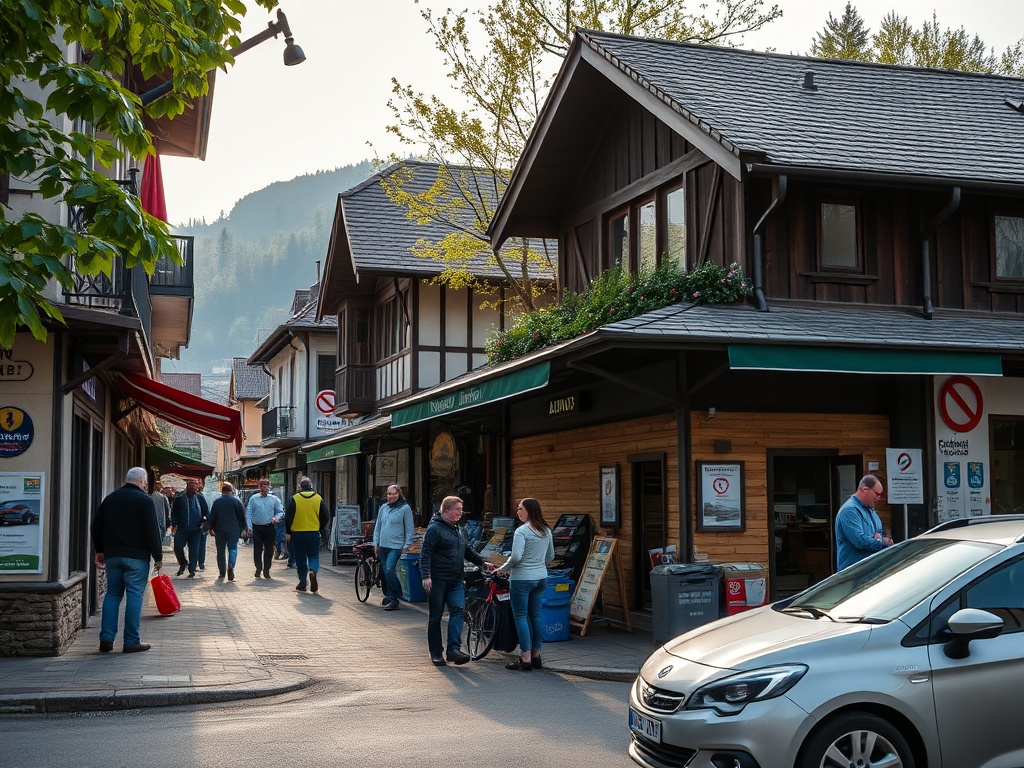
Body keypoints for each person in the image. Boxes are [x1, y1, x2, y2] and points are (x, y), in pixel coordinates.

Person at [90, 467, 163, 653]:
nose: (145, 485)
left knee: (113, 594)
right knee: (134, 596)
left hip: (113, 556)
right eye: (145, 483)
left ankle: (106, 639)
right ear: (141, 481)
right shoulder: (145, 501)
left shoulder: (110, 499)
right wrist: (158, 556)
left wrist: (100, 549)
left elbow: (96, 526)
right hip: (137, 557)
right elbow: (152, 530)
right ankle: (131, 641)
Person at [419, 495, 493, 667]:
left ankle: (453, 649)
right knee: (435, 616)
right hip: (437, 580)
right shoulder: (434, 529)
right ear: (446, 511)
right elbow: (425, 554)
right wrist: (426, 576)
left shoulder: (459, 529)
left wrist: (482, 562)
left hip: (456, 580)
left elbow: (466, 550)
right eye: (458, 509)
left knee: (458, 611)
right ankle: (436, 653)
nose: (461, 512)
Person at [495, 497, 555, 671]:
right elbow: (550, 556)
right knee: (536, 615)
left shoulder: (522, 531)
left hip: (522, 578)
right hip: (541, 577)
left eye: (520, 508)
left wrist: (503, 569)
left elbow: (515, 557)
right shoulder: (546, 531)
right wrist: (538, 563)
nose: (517, 512)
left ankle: (525, 658)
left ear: (529, 510)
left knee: (521, 616)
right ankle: (537, 655)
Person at [835, 474, 893, 570]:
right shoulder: (849, 510)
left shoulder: (871, 511)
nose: (879, 498)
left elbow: (881, 534)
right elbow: (860, 540)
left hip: (870, 572)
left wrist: (885, 539)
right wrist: (882, 542)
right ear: (865, 489)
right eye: (877, 494)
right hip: (853, 575)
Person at [373, 484, 415, 611]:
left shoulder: (405, 508)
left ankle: (395, 597)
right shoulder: (383, 508)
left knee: (390, 569)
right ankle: (391, 595)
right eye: (388, 494)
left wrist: (406, 545)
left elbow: (409, 529)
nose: (389, 496)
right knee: (385, 571)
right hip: (383, 545)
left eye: (392, 494)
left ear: (399, 494)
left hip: (396, 545)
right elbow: (378, 526)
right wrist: (376, 543)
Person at [286, 476, 330, 593]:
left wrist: (288, 532)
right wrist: (319, 527)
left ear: (300, 487)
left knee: (300, 558)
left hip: (297, 534)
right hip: (313, 533)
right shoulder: (318, 498)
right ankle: (313, 571)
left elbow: (288, 517)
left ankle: (302, 582)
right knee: (314, 555)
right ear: (311, 486)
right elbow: (326, 516)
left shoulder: (294, 498)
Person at [170, 477, 209, 577]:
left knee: (194, 551)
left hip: (196, 529)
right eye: (193, 486)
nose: (195, 488)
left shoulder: (200, 498)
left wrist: (204, 523)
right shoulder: (180, 498)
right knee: (177, 547)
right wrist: (174, 524)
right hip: (182, 528)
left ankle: (192, 570)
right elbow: (174, 512)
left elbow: (206, 512)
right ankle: (183, 562)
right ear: (188, 486)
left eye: (197, 485)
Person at [245, 478, 284, 579]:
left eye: (267, 485)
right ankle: (258, 568)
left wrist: (276, 518)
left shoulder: (274, 499)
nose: (265, 487)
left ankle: (267, 569)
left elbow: (280, 511)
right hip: (257, 527)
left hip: (269, 527)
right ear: (259, 487)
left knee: (269, 549)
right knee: (257, 549)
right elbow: (248, 513)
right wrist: (249, 527)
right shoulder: (254, 498)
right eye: (263, 485)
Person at [208, 481, 246, 581]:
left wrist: (211, 528)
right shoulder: (236, 501)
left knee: (220, 551)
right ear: (231, 491)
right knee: (233, 548)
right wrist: (242, 529)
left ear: (222, 491)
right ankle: (231, 565)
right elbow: (242, 516)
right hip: (233, 530)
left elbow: (212, 517)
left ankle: (222, 572)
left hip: (220, 530)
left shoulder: (217, 502)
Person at [150, 479, 170, 546]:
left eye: (158, 484)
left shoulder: (150, 496)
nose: (157, 486)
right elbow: (167, 512)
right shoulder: (162, 497)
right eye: (156, 484)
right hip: (160, 523)